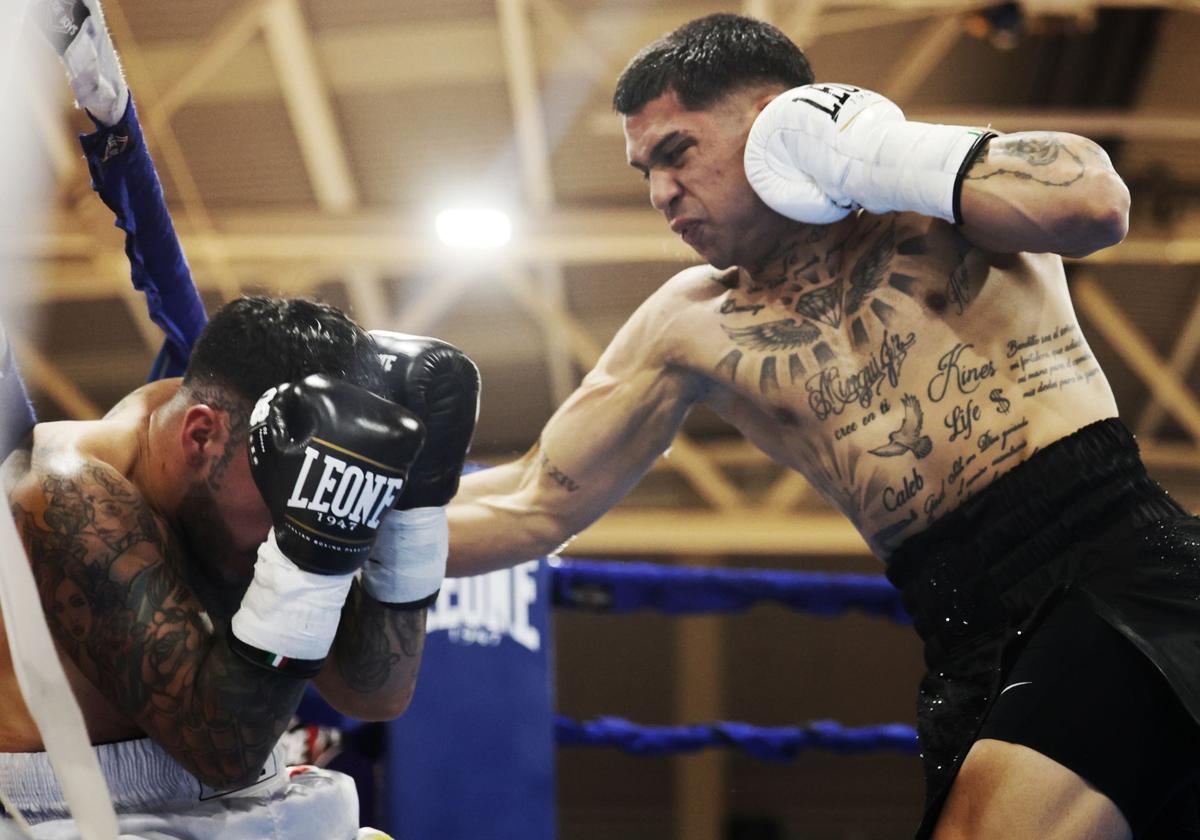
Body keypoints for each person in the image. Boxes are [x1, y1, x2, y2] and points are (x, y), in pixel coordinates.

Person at [447, 13, 1200, 840]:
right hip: (964, 640)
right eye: (644, 170)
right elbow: (531, 503)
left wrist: (870, 149)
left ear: (776, 118)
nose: (660, 193)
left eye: (677, 153)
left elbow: (1094, 204)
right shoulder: (689, 326)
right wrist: (325, 536)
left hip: (1112, 566)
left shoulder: (938, 206)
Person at [0, 2, 481, 836]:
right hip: (86, 817)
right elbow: (216, 745)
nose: (285, 533)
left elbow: (378, 691)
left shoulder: (261, 470)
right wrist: (310, 550)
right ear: (200, 438)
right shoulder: (68, 494)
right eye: (280, 512)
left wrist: (412, 508)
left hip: (250, 796)